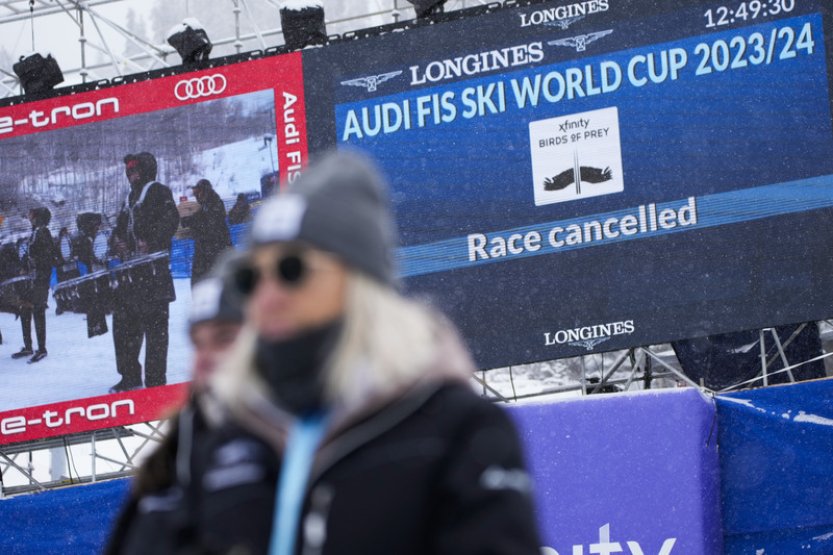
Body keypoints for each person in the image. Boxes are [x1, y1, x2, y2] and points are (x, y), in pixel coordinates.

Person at [123, 150, 541, 554]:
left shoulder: (455, 427)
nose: (267, 296)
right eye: (252, 277)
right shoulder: (216, 435)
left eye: (291, 270)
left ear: (357, 282)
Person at [104, 251, 245, 555]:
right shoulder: (166, 469)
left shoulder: (327, 446)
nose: (205, 359)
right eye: (197, 343)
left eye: (225, 339)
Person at [108, 152, 180, 393]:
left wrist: (151, 241)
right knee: (125, 329)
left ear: (148, 169)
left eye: (135, 169)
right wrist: (116, 242)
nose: (131, 174)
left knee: (156, 333)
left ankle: (155, 383)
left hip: (154, 275)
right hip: (131, 277)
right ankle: (129, 376)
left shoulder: (159, 191)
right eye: (128, 170)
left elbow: (171, 220)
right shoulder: (129, 199)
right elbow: (118, 230)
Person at [12, 207, 54, 363]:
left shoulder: (43, 232)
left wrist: (35, 268)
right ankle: (28, 346)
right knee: (25, 309)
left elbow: (46, 256)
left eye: (32, 214)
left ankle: (41, 348)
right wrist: (24, 266)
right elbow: (31, 254)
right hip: (31, 279)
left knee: (38, 311)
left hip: (39, 279)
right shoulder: (35, 232)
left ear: (38, 217)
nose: (29, 216)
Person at [181, 178, 231, 285]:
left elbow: (210, 224)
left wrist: (192, 221)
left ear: (205, 191)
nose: (197, 195)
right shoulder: (205, 205)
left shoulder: (215, 203)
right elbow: (201, 221)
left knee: (214, 282)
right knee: (201, 282)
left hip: (215, 250)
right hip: (206, 250)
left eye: (198, 192)